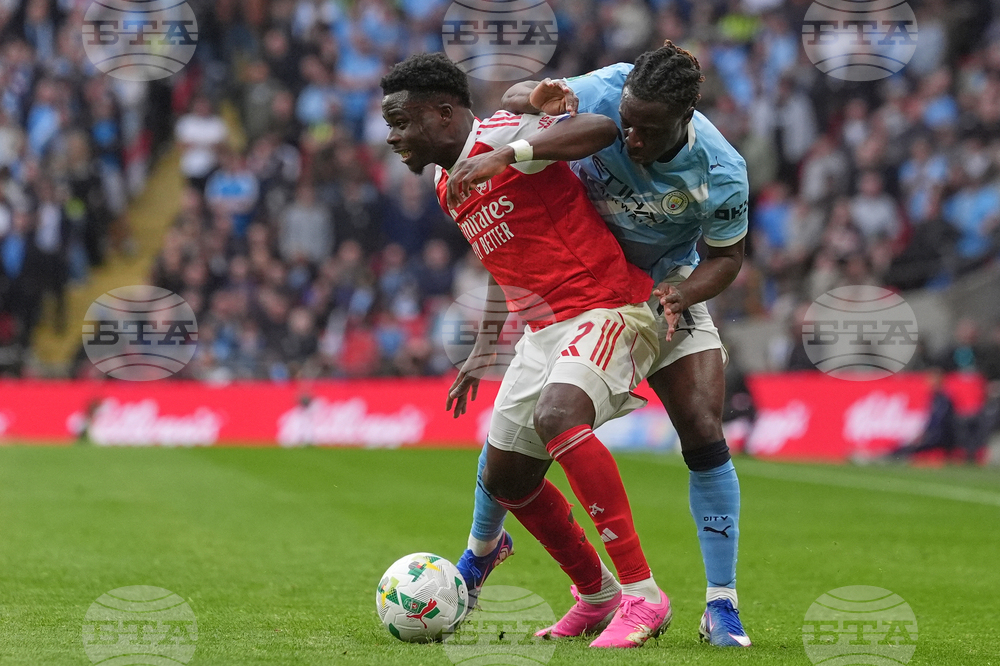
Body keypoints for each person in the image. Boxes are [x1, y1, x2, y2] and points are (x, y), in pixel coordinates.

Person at [446, 42, 752, 647]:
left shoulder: (722, 170)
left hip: (662, 293)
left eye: (648, 130)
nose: (630, 138)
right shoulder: (613, 86)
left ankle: (721, 603)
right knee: (513, 442)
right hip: (583, 293)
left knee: (703, 430)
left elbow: (727, 258)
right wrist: (536, 97)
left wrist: (685, 296)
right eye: (628, 123)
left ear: (686, 117)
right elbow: (516, 107)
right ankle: (497, 555)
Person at [381, 53, 671, 648]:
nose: (393, 137)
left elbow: (602, 130)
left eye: (401, 122)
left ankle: (643, 595)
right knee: (506, 474)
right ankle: (596, 597)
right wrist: (485, 345)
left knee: (558, 417)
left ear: (442, 113)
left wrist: (509, 154)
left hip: (604, 305)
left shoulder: (500, 132)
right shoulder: (446, 181)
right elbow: (500, 258)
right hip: (541, 333)